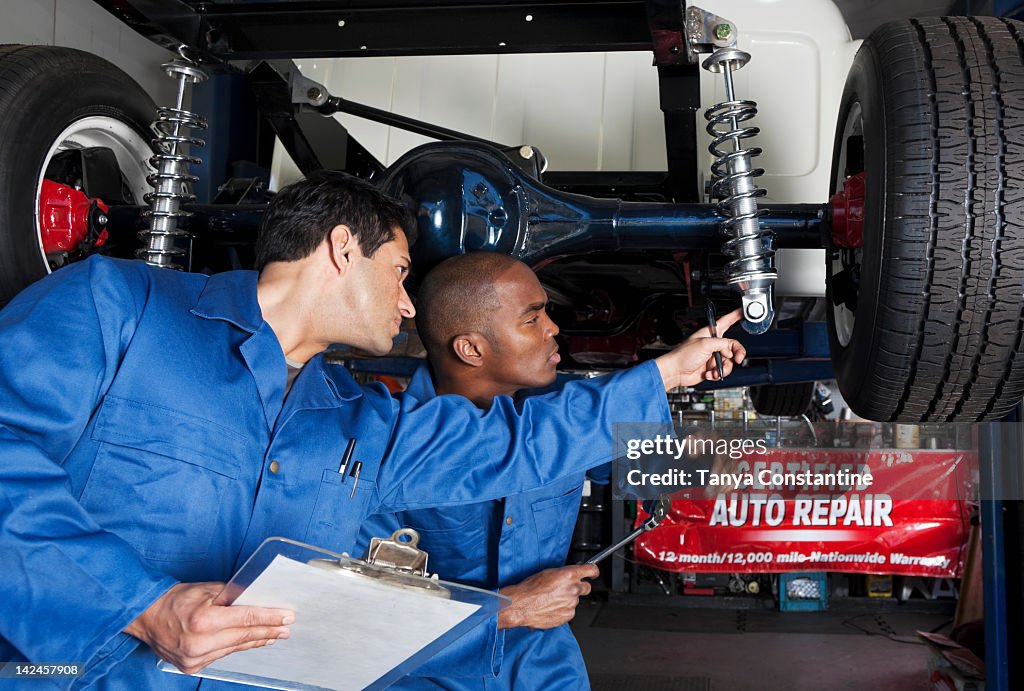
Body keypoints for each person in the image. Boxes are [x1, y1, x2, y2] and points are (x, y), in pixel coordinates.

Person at [0, 172, 745, 690]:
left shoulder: (364, 422)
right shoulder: (115, 309)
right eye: (399, 272)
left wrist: (667, 374)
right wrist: (141, 603)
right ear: (340, 250)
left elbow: (513, 443)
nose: (412, 305)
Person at [361, 253, 744, 689]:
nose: (554, 328)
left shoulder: (567, 414)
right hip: (427, 673)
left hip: (544, 667)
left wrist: (702, 466)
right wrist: (510, 609)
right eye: (532, 318)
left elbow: (631, 468)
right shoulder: (387, 445)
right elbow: (364, 615)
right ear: (471, 348)